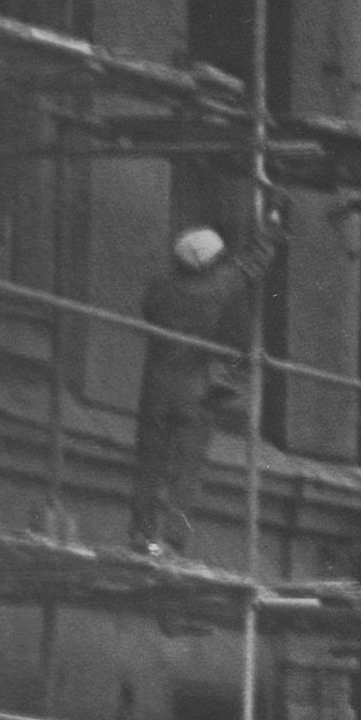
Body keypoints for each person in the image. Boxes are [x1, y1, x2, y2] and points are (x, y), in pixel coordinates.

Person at [129, 203, 283, 558]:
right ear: (212, 261)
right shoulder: (217, 287)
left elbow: (150, 306)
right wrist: (270, 227)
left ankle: (142, 534)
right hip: (192, 389)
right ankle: (172, 541)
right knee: (187, 465)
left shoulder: (161, 289)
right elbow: (251, 265)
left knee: (149, 460)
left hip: (155, 386)